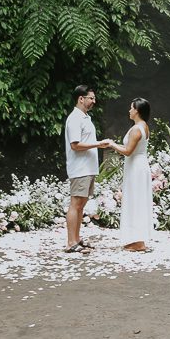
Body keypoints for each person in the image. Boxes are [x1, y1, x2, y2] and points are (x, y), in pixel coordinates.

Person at [105, 98, 153, 252]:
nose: (129, 111)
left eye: (131, 108)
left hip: (136, 166)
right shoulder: (143, 126)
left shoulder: (136, 129)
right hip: (138, 164)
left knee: (136, 200)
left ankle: (138, 242)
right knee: (137, 200)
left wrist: (112, 145)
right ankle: (137, 239)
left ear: (137, 111)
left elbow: (127, 151)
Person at [63, 85, 106, 253]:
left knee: (81, 204)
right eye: (91, 98)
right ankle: (70, 243)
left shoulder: (85, 117)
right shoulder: (74, 118)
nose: (94, 101)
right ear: (81, 99)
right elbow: (75, 145)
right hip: (79, 169)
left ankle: (77, 238)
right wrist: (99, 144)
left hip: (88, 169)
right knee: (76, 204)